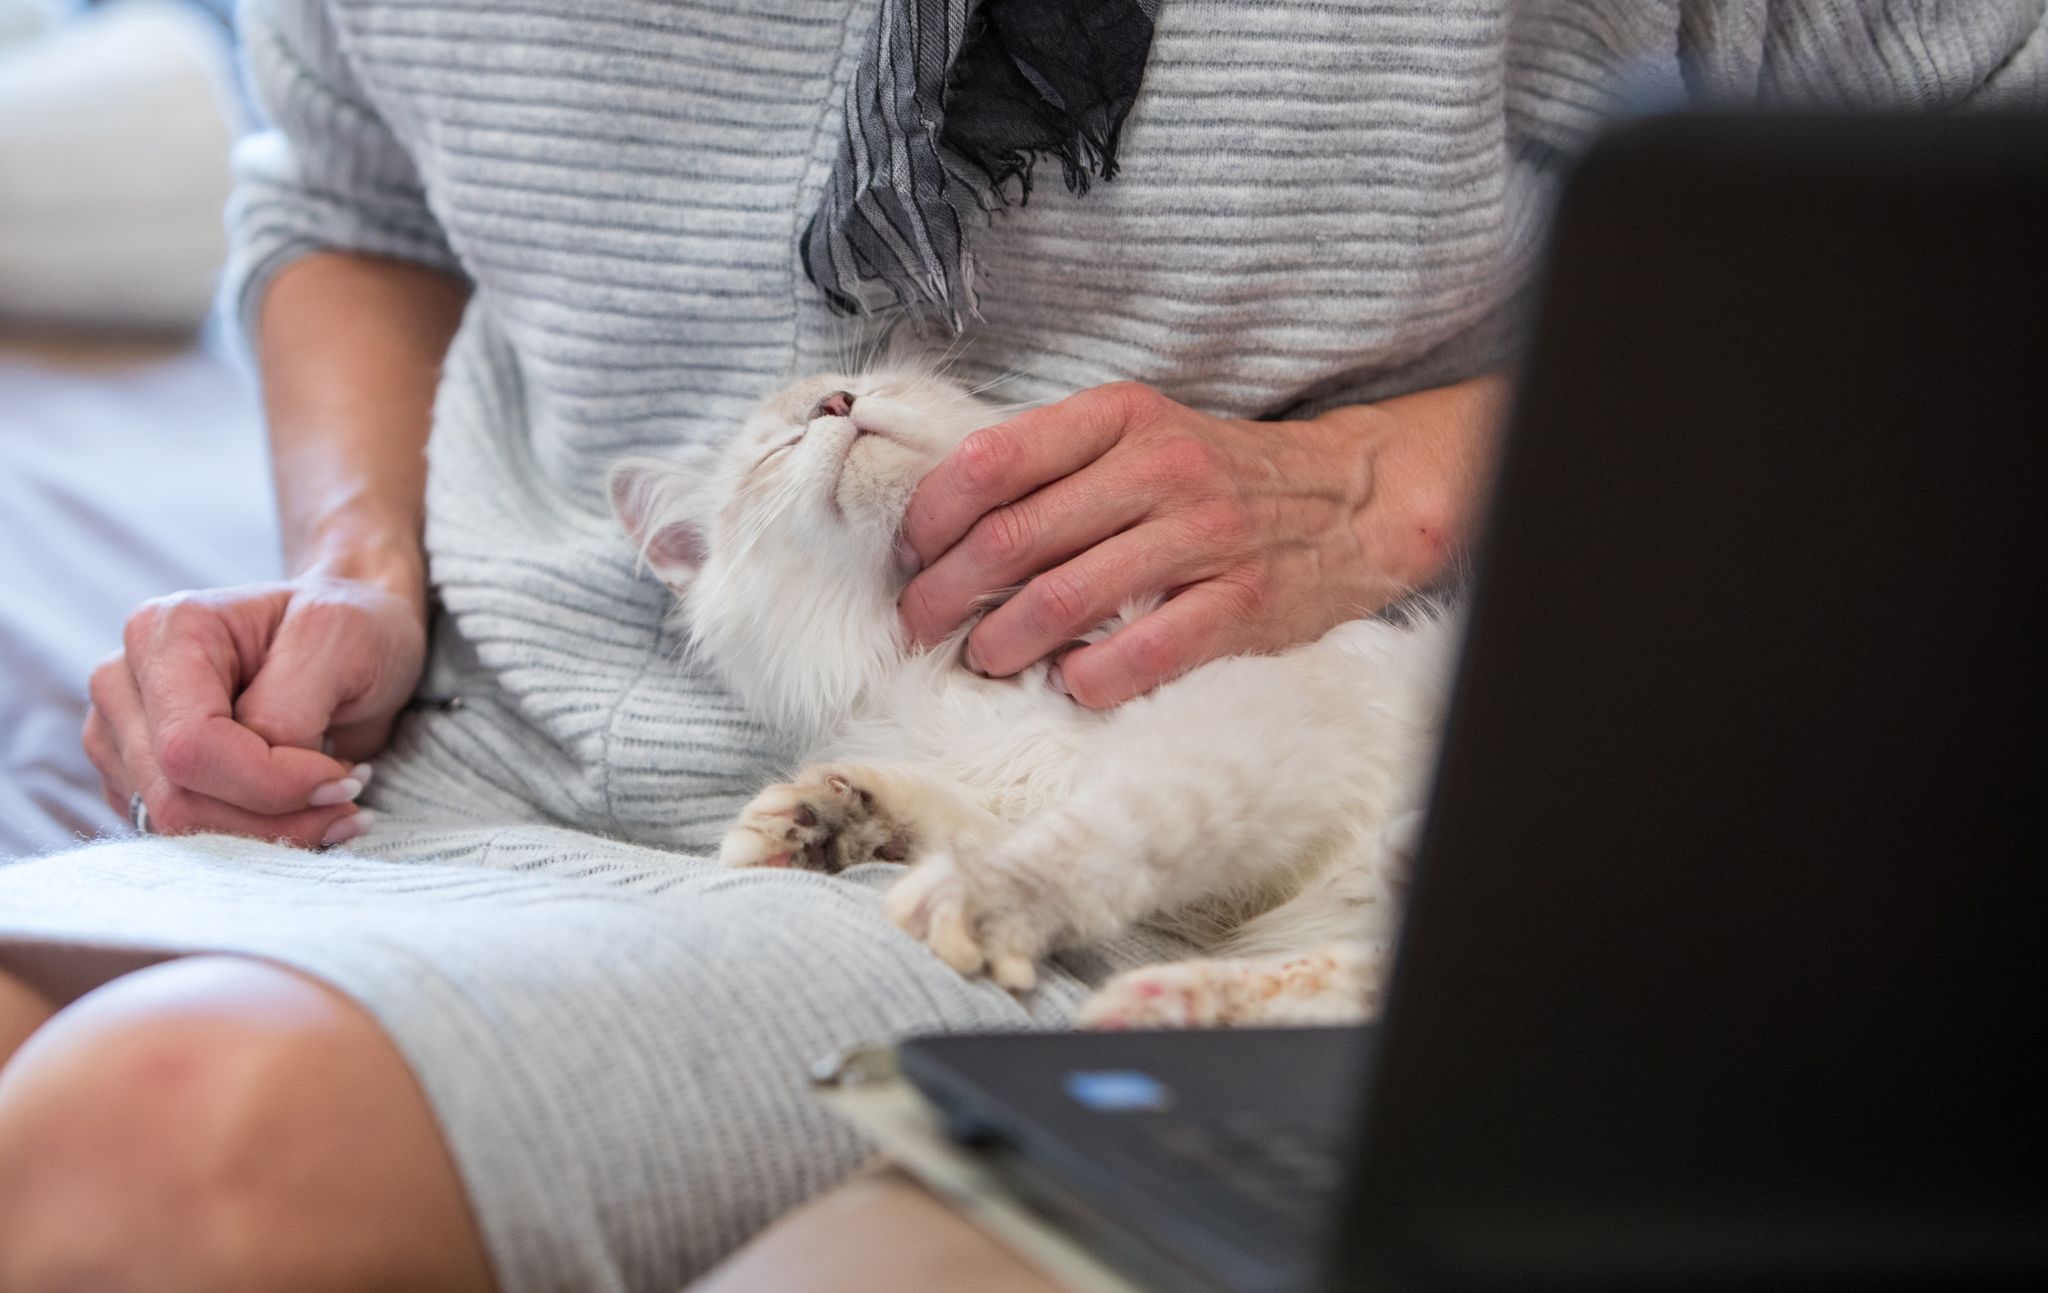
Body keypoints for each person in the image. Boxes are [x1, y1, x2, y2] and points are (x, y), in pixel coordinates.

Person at [0, 2, 2039, 1291]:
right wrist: (354, 568)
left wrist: (1391, 489)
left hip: (1083, 839)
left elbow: (1973, 228)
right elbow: (347, 193)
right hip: (468, 752)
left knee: (159, 1150)